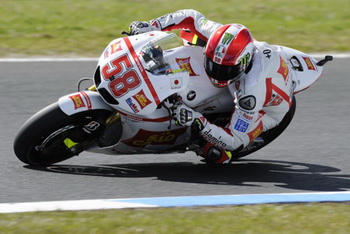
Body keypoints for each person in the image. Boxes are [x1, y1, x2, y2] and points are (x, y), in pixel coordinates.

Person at [127, 9, 295, 164]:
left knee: (218, 154)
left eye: (223, 70)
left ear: (242, 64)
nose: (215, 73)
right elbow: (191, 17)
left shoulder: (250, 93)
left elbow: (235, 140)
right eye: (212, 65)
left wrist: (195, 119)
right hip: (251, 69)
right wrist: (151, 25)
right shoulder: (222, 37)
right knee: (189, 35)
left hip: (269, 109)